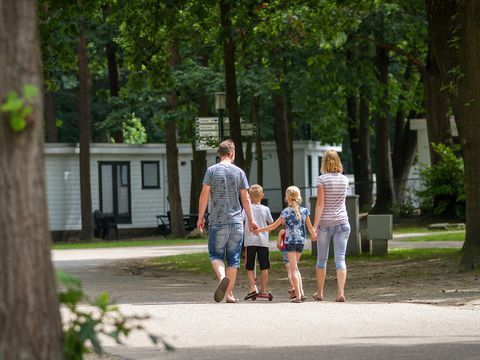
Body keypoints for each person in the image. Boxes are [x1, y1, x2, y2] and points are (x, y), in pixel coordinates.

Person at [197, 140, 258, 303]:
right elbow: (245, 198)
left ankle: (222, 277)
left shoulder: (211, 171)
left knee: (215, 254)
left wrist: (200, 216)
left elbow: (204, 195)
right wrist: (251, 220)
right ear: (232, 154)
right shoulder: (239, 172)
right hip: (237, 221)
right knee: (234, 259)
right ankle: (229, 295)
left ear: (219, 154)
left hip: (218, 221)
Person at [254, 186, 315, 303]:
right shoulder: (304, 211)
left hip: (290, 242)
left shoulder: (286, 212)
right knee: (296, 269)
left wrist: (259, 230)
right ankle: (301, 293)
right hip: (301, 242)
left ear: (287, 197)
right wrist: (313, 235)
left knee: (293, 270)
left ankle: (297, 296)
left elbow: (273, 226)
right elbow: (310, 227)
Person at [312, 149, 351, 302]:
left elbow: (320, 204)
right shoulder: (345, 179)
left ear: (324, 162)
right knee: (340, 259)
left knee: (322, 259)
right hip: (342, 221)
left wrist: (315, 225)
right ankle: (341, 293)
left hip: (325, 224)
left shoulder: (322, 180)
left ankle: (320, 293)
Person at [242, 184, 274, 300]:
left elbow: (242, 222)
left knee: (250, 265)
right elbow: (271, 223)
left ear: (249, 196)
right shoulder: (266, 209)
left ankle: (252, 288)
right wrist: (267, 233)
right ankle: (263, 289)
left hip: (250, 241)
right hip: (263, 241)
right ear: (263, 196)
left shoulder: (246, 209)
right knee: (264, 266)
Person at [277, 228, 295, 298]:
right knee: (295, 270)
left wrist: (282, 249)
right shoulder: (294, 229)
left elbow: (278, 244)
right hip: (294, 250)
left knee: (289, 272)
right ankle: (295, 288)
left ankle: (293, 287)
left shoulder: (282, 231)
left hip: (285, 250)